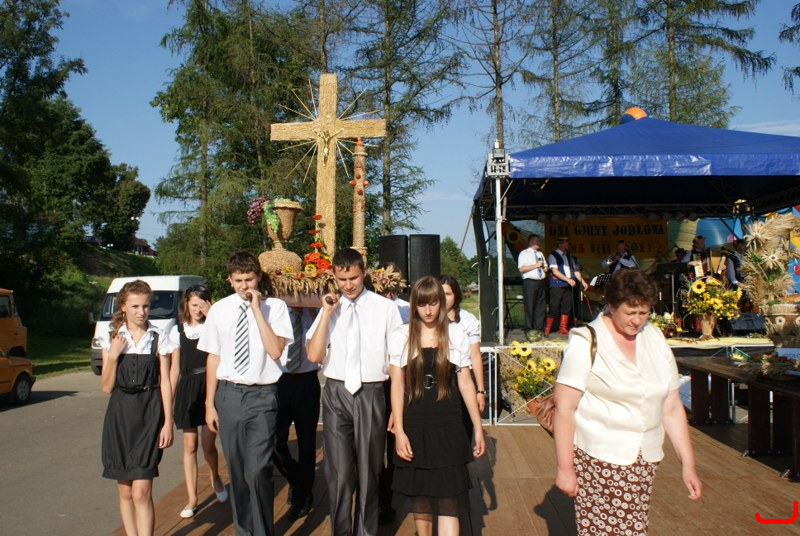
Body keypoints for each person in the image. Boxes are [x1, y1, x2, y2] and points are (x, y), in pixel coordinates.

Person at [553, 269, 702, 535]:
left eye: (644, 313)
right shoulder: (585, 341)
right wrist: (565, 468)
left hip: (646, 458)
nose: (637, 321)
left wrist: (688, 465)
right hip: (600, 459)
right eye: (630, 313)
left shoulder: (654, 337)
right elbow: (565, 409)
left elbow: (671, 407)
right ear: (611, 306)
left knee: (632, 528)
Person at [306, 247, 403, 535]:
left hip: (371, 392)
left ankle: (366, 531)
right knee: (337, 474)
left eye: (353, 278)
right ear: (334, 277)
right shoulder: (329, 308)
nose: (348, 285)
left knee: (370, 471)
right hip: (336, 392)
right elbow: (313, 355)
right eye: (342, 279)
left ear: (364, 273)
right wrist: (326, 313)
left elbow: (397, 362)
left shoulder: (386, 308)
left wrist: (397, 410)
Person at [199, 251, 293, 536]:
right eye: (238, 280)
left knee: (258, 469)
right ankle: (244, 531)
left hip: (262, 396)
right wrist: (209, 404)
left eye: (249, 279)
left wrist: (256, 310)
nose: (244, 286)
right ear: (230, 280)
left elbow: (275, 350)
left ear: (259, 277)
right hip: (228, 395)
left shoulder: (275, 307)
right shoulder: (220, 310)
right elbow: (213, 357)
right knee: (237, 472)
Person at [388, 276, 486, 536]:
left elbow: (465, 381)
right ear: (414, 305)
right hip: (415, 422)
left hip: (448, 423)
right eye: (422, 304)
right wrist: (400, 431)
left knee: (449, 500)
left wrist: (477, 427)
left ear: (441, 303)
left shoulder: (456, 333)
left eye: (433, 304)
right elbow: (397, 385)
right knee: (420, 497)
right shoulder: (401, 336)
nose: (428, 311)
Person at [100, 280, 176, 536]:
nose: (141, 312)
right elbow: (106, 387)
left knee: (142, 491)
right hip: (120, 416)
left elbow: (165, 382)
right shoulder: (112, 337)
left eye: (145, 306)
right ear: (123, 306)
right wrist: (113, 355)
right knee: (125, 490)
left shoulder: (158, 336)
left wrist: (168, 422)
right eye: (135, 306)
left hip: (150, 414)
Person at [168, 284, 228, 519]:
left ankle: (215, 477)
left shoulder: (214, 327)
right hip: (187, 387)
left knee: (208, 444)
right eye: (194, 304)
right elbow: (174, 368)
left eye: (202, 305)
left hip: (209, 385)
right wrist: (169, 398)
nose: (197, 309)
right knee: (189, 445)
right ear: (186, 305)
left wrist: (213, 315)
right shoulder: (178, 331)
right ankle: (192, 498)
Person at [273, 306, 320, 521]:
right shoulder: (277, 312)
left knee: (306, 443)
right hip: (279, 381)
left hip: (307, 382)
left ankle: (304, 495)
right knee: (274, 440)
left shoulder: (316, 313)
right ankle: (294, 478)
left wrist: (316, 313)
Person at [439, 275, 486, 413]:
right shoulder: (429, 320)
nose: (444, 298)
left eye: (448, 294)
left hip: (462, 381)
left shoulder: (468, 320)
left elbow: (475, 356)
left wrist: (480, 391)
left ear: (456, 295)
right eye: (440, 294)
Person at [547, 237, 589, 336]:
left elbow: (575, 271)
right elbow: (555, 271)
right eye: (565, 244)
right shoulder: (553, 255)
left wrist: (583, 281)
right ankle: (548, 328)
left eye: (568, 244)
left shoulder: (569, 257)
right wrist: (568, 279)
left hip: (567, 285)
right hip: (557, 285)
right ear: (560, 245)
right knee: (554, 306)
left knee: (567, 306)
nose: (567, 246)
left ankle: (563, 328)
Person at [517, 234, 548, 338]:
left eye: (539, 241)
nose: (539, 243)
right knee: (530, 305)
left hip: (541, 281)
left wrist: (545, 267)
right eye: (536, 241)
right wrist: (535, 265)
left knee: (541, 306)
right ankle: (529, 329)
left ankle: (539, 328)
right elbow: (521, 269)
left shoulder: (540, 253)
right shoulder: (524, 253)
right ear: (531, 242)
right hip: (530, 282)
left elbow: (545, 266)